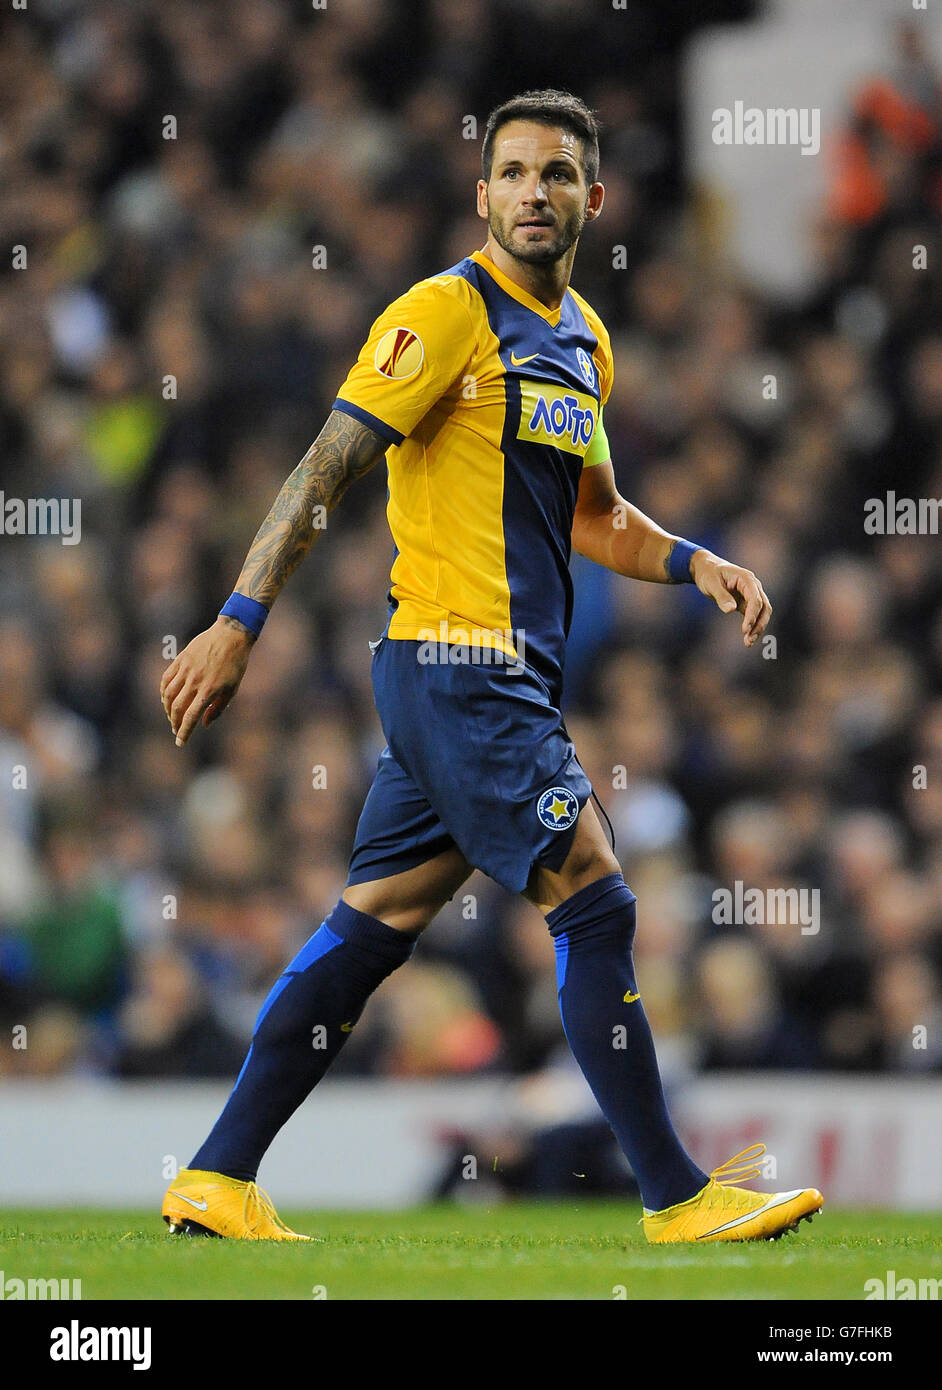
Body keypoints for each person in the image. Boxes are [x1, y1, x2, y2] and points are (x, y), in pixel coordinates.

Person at [159, 90, 822, 1243]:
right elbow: (327, 465)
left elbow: (597, 516)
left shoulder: (587, 343)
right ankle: (674, 1194)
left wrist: (695, 559)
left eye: (556, 175)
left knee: (369, 930)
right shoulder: (442, 314)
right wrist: (236, 619)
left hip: (487, 684)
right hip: (458, 664)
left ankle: (215, 1173)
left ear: (592, 200)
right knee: (595, 892)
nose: (533, 192)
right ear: (482, 195)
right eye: (512, 172)